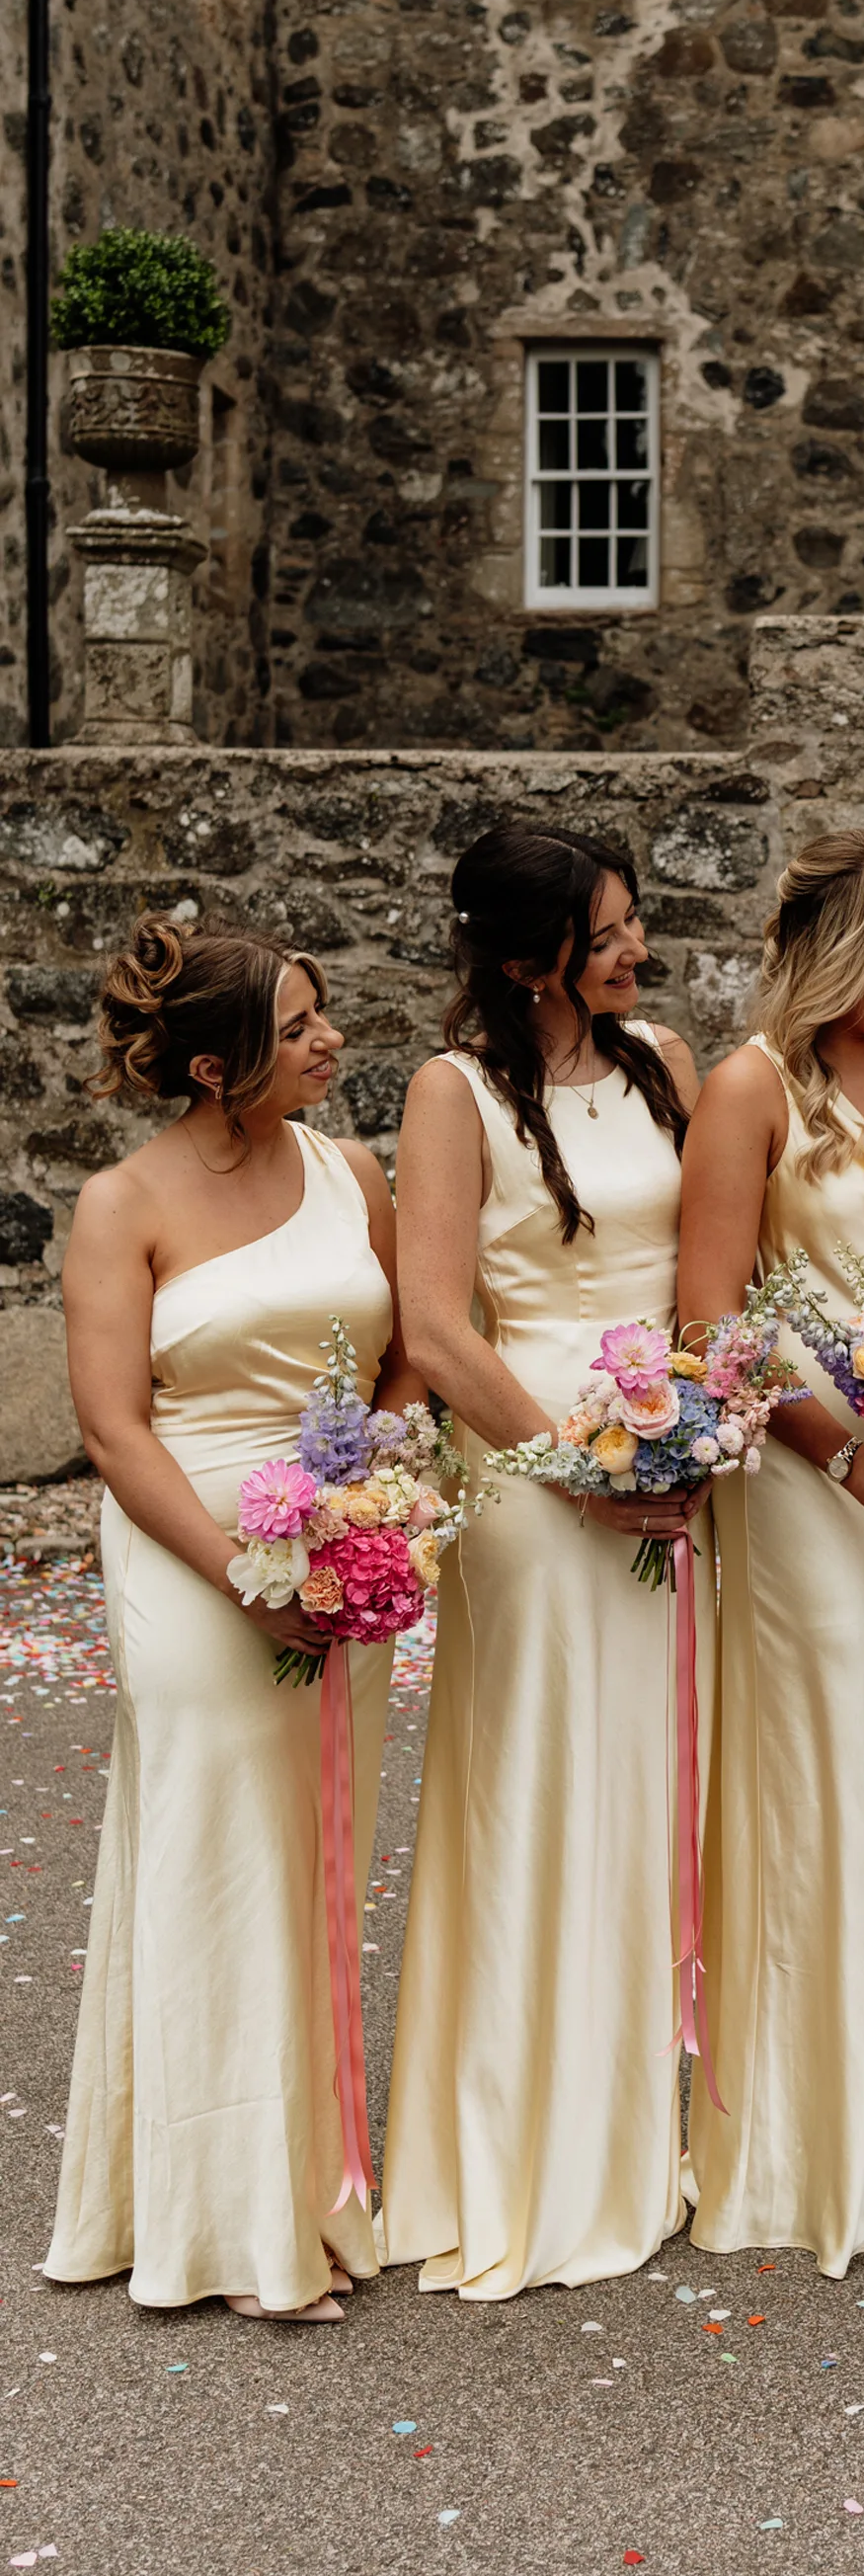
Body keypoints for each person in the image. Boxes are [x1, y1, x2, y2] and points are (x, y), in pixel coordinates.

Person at [48, 914, 419, 2321]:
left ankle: (298, 2191)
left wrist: (373, 1501)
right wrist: (239, 1568)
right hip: (188, 1543)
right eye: (304, 1024)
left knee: (313, 1846)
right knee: (215, 1852)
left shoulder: (354, 1170)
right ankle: (228, 2234)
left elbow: (396, 1367)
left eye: (326, 1016)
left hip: (336, 1544)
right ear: (216, 1066)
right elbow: (112, 1426)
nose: (334, 1040)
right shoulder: (118, 1205)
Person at [381, 825, 702, 2297]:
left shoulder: (664, 1063)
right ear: (529, 958)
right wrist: (585, 1463)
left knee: (657, 1780)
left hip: (672, 1457)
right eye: (612, 930)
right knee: (540, 1782)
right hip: (528, 1469)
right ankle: (524, 2143)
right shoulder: (454, 1095)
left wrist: (698, 1422)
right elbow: (440, 1328)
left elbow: (711, 1270)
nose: (637, 948)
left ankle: (649, 2123)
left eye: (632, 923)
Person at [677, 830, 864, 2277]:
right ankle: (816, 2139)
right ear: (825, 952)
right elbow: (714, 1321)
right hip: (816, 1485)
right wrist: (844, 1451)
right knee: (825, 1772)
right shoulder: (751, 1089)